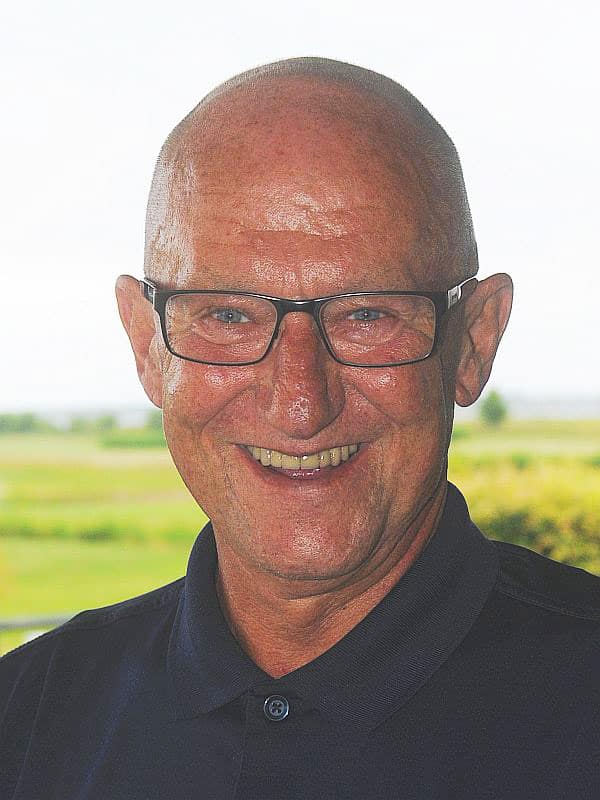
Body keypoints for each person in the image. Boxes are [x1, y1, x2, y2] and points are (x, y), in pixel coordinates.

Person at [1, 57, 598, 800]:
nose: (300, 404)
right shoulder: (26, 719)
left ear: (474, 342)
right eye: (228, 315)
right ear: (147, 346)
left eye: (368, 314)